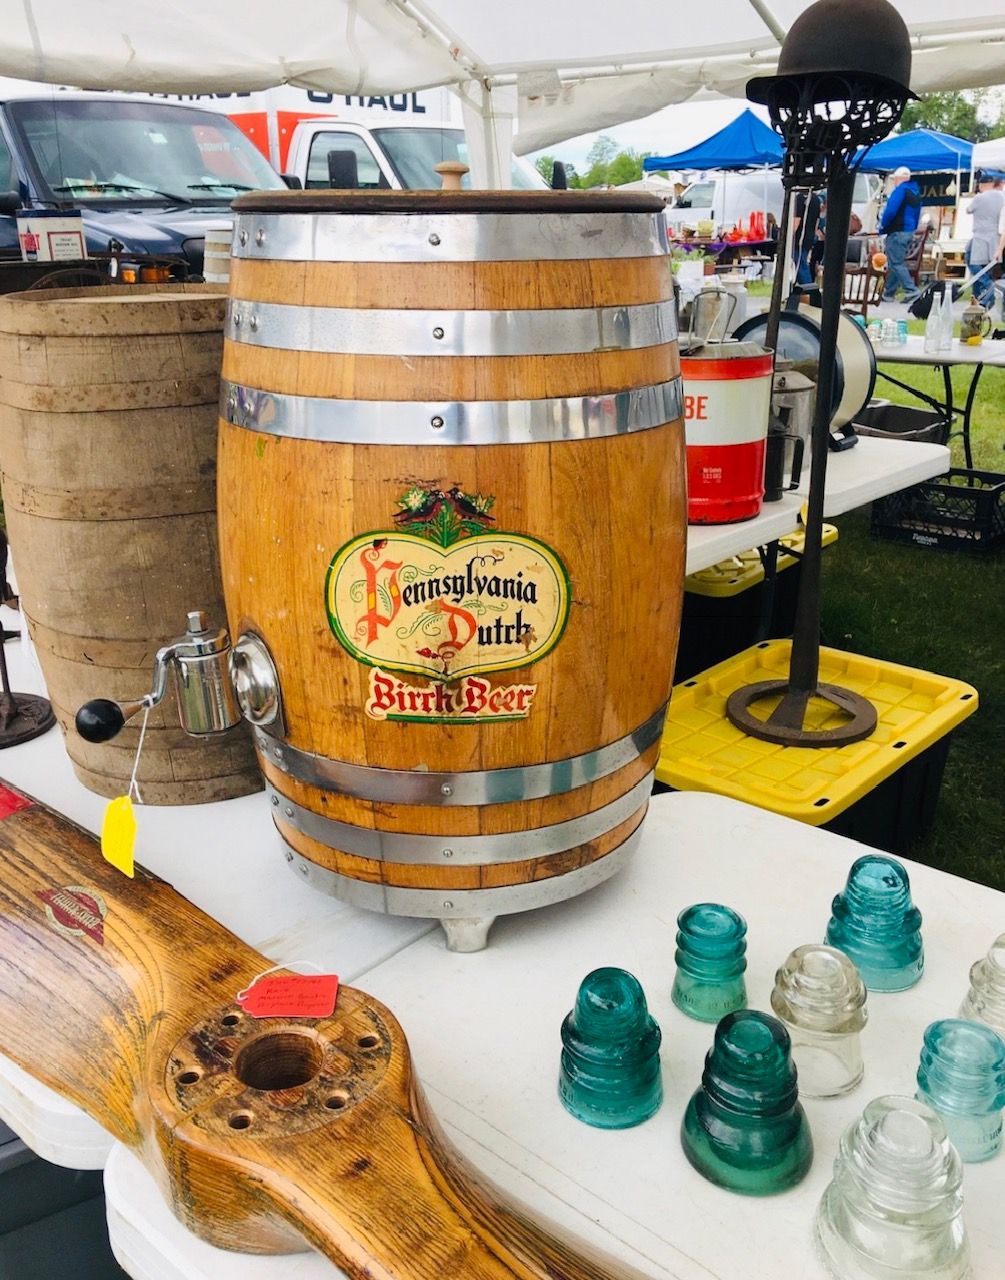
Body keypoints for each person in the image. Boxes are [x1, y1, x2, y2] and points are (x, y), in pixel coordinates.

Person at [879, 165, 922, 303]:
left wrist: (883, 227)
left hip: (897, 230)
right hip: (908, 231)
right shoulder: (915, 192)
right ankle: (889, 293)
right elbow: (917, 214)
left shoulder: (900, 191)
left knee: (896, 263)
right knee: (895, 262)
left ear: (898, 178)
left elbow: (890, 211)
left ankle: (912, 290)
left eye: (895, 179)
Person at [965, 172, 1004, 311]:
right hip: (997, 236)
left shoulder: (979, 197)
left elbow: (968, 210)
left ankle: (987, 286)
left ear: (981, 185)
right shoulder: (1001, 196)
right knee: (989, 267)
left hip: (980, 235)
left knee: (972, 262)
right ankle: (980, 297)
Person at [792, 189, 821, 285]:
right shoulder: (816, 199)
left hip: (800, 237)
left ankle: (808, 289)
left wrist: (789, 236)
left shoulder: (800, 198)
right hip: (810, 235)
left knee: (800, 264)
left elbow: (796, 220)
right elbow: (817, 221)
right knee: (802, 262)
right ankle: (803, 289)